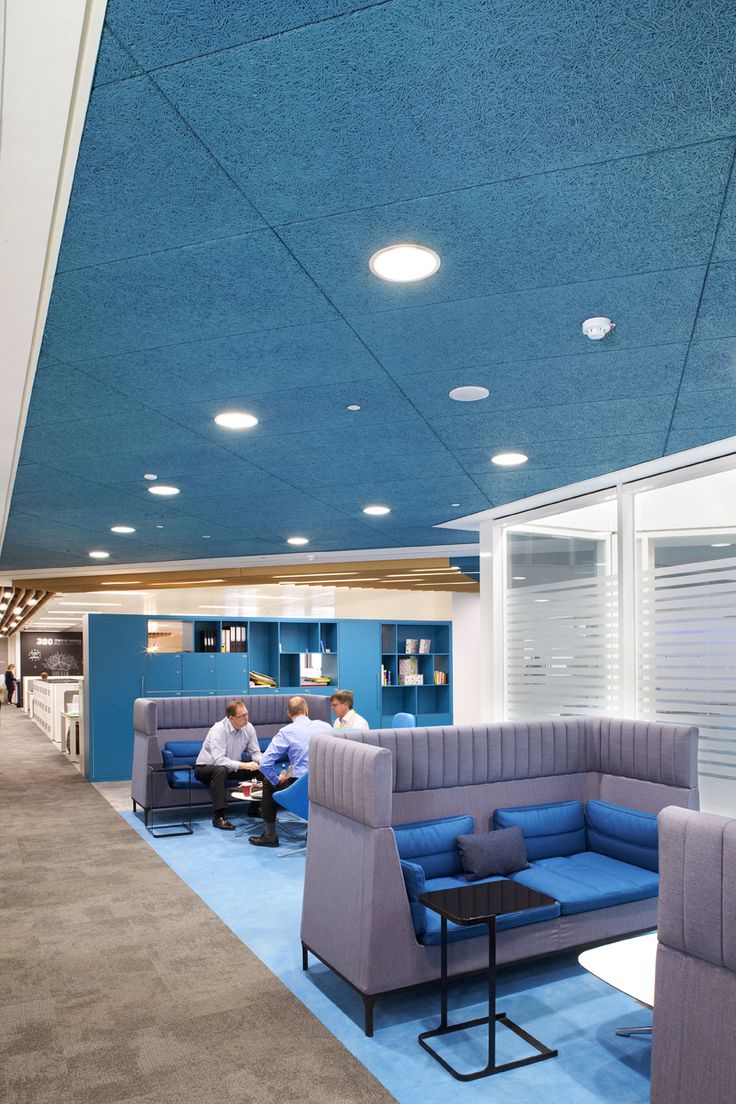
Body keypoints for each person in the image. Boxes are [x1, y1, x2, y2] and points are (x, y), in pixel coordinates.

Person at [249, 695, 332, 848]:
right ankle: (315, 833)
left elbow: (265, 764)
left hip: (300, 786)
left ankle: (270, 834)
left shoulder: (287, 732)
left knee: (268, 783)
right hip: (326, 784)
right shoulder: (326, 727)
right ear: (307, 710)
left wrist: (276, 780)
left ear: (289, 713)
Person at [194, 701, 261, 831]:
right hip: (205, 768)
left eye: (247, 714)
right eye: (242, 716)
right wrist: (244, 765)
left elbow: (255, 752)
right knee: (221, 770)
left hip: (230, 768)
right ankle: (218, 817)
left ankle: (255, 808)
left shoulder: (249, 728)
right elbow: (219, 760)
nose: (246, 718)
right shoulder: (218, 729)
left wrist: (263, 762)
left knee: (260, 771)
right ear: (231, 718)